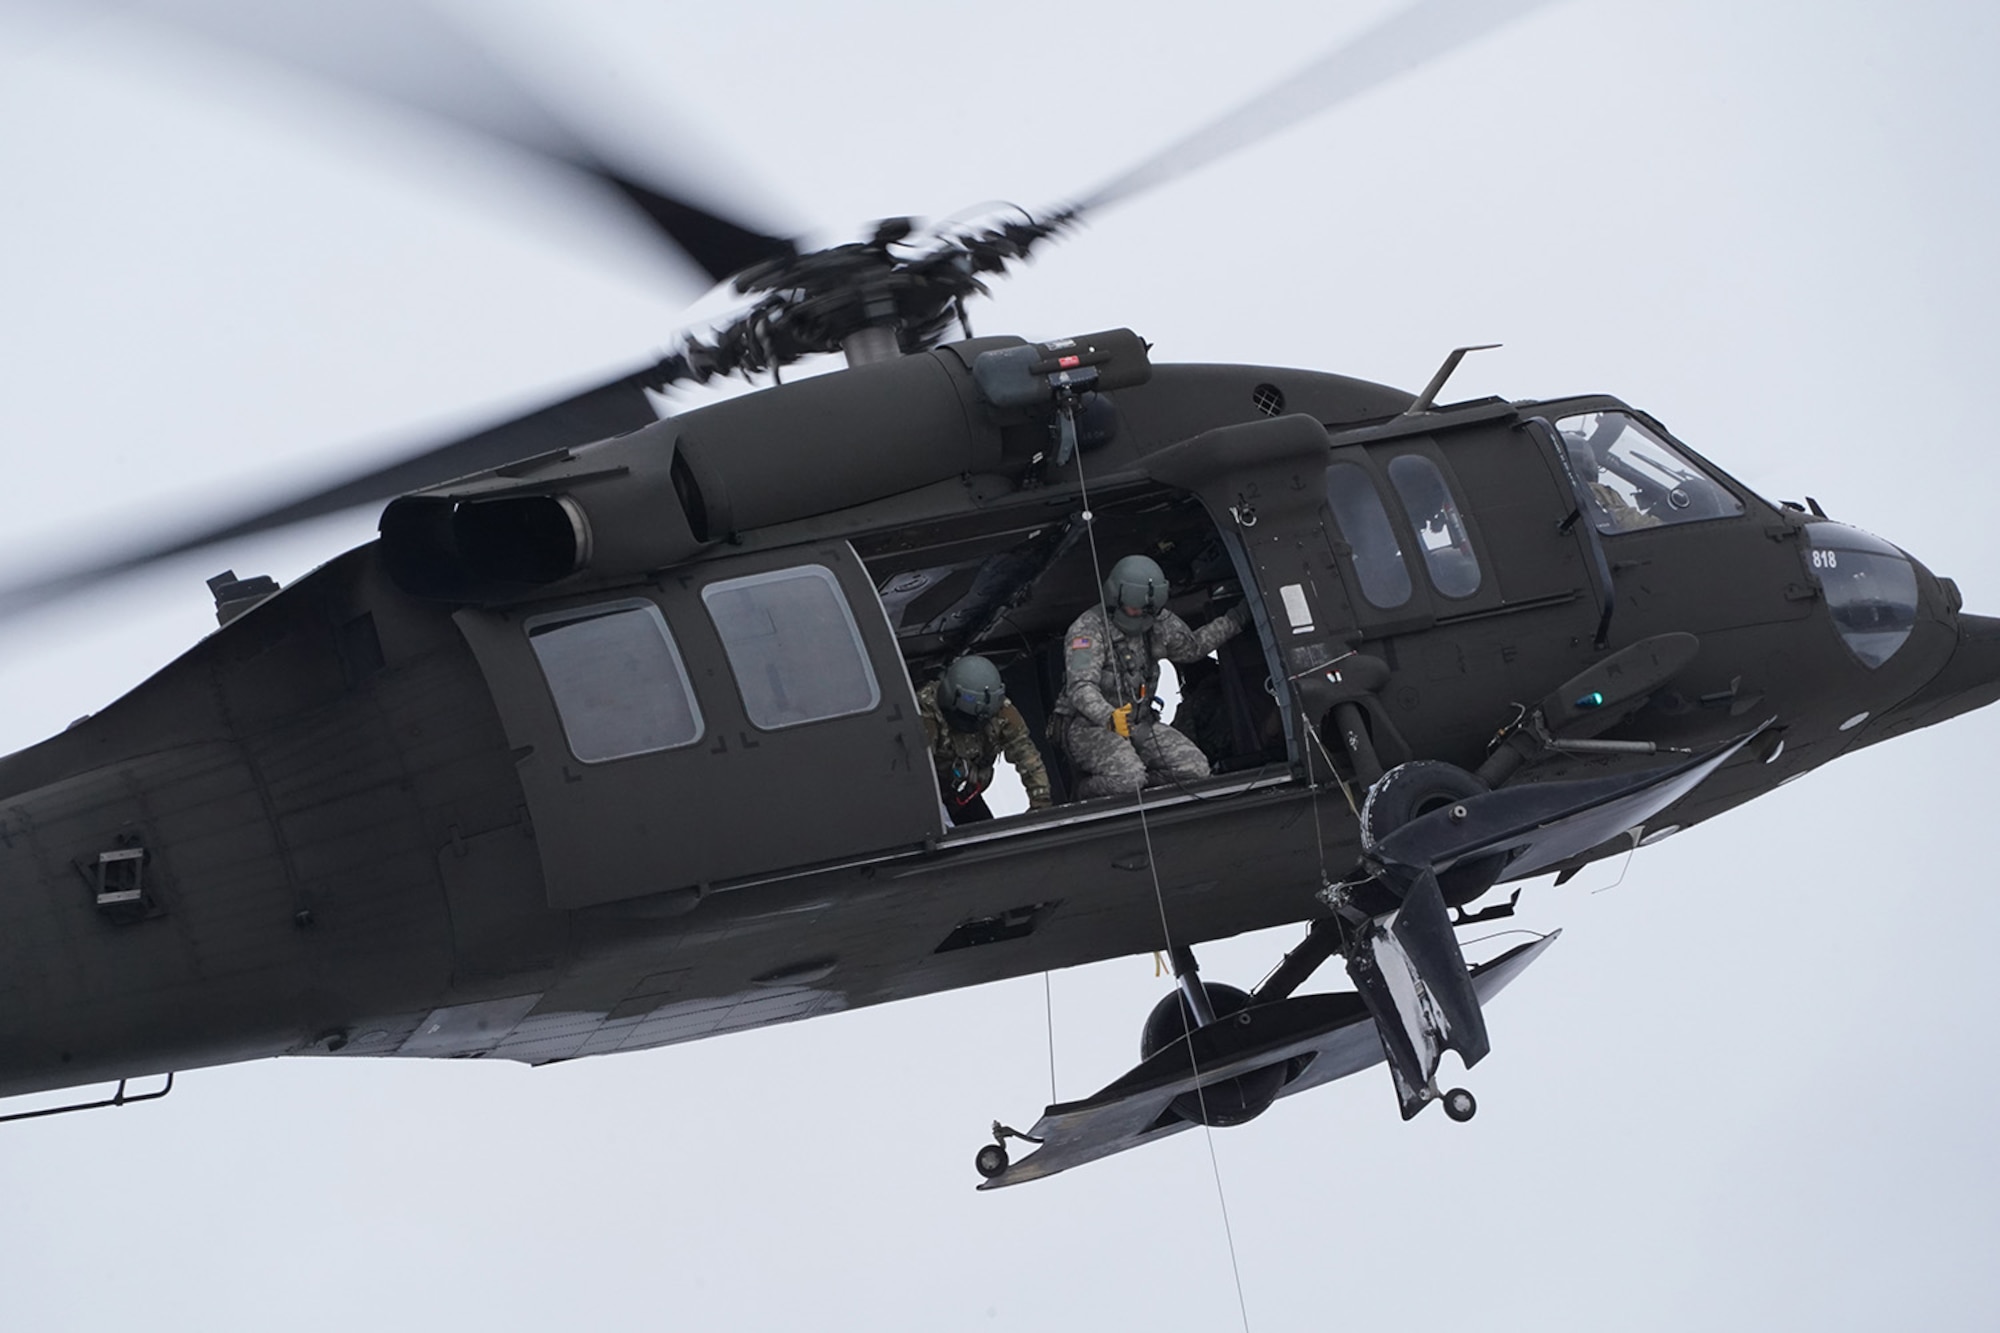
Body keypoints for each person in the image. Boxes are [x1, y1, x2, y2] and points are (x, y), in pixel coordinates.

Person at [1052, 554, 1252, 799]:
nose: (1139, 616)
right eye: (1133, 609)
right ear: (1117, 599)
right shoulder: (1088, 630)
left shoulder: (1157, 621)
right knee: (1129, 778)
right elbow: (1081, 687)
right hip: (1090, 728)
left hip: (1139, 724)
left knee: (1195, 770)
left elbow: (1194, 648)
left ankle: (1135, 786)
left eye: (1146, 611)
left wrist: (1238, 616)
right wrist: (1108, 717)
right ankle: (1085, 793)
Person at [917, 655, 1053, 823]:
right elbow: (914, 774)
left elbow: (1027, 757)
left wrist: (1041, 804)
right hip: (926, 800)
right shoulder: (925, 714)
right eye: (965, 718)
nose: (971, 726)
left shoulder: (1001, 711)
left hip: (965, 795)